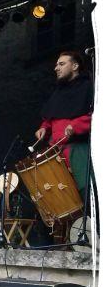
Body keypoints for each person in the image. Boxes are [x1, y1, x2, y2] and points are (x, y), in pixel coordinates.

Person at [35, 51, 93, 195]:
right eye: (56, 65)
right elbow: (51, 116)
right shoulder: (59, 92)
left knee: (85, 191)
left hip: (77, 150)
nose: (56, 68)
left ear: (75, 66)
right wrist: (44, 128)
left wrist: (76, 126)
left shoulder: (88, 86)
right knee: (65, 198)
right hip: (57, 154)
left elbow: (95, 114)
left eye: (61, 64)